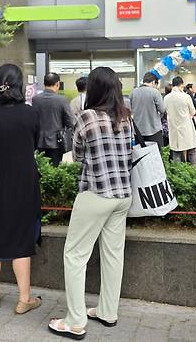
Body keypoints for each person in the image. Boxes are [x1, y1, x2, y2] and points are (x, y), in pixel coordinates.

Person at [48, 67, 132, 340]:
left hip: (96, 192)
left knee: (74, 255)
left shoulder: (87, 117)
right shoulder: (125, 117)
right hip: (123, 195)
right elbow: (129, 153)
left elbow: (80, 155)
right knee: (113, 255)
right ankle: (108, 311)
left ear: (94, 89)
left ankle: (75, 320)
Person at [0, 64, 43, 314]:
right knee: (21, 238)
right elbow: (34, 143)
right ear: (20, 85)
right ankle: (23, 299)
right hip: (23, 180)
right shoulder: (30, 114)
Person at [31, 73, 75, 166]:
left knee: (41, 168)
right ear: (58, 84)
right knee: (54, 169)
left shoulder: (35, 99)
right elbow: (70, 122)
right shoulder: (62, 100)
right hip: (56, 142)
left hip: (39, 141)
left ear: (44, 84)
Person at [164, 77, 196, 164]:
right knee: (192, 150)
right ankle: (195, 172)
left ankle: (177, 173)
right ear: (182, 84)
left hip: (173, 128)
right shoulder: (186, 96)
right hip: (186, 127)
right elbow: (193, 111)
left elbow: (165, 111)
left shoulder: (166, 98)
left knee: (176, 151)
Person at [130, 72, 165, 148]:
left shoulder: (133, 92)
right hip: (153, 130)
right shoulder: (155, 92)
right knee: (157, 155)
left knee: (141, 154)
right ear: (153, 82)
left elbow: (130, 109)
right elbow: (162, 109)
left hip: (138, 131)